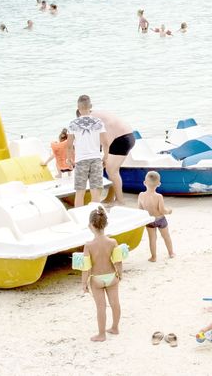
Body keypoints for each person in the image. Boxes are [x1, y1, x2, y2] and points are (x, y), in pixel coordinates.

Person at [80, 207, 123, 342]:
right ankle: (115, 327)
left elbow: (86, 268)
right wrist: (120, 274)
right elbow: (118, 261)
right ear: (106, 224)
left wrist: (84, 283)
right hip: (111, 276)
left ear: (90, 226)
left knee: (101, 307)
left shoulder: (88, 246)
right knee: (115, 303)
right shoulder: (112, 242)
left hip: (96, 280)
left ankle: (101, 334)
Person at [91, 105, 135, 204]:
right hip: (126, 136)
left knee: (112, 171)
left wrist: (105, 157)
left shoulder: (92, 118)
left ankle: (120, 200)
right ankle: (111, 197)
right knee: (112, 171)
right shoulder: (97, 114)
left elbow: (107, 135)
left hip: (121, 138)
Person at [68, 96, 107, 206]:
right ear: (90, 107)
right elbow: (105, 143)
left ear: (78, 108)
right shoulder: (98, 122)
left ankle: (80, 218)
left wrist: (69, 159)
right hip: (95, 159)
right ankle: (96, 218)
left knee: (80, 192)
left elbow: (69, 146)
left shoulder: (72, 123)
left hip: (81, 160)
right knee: (95, 192)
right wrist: (105, 157)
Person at [138, 171, 175, 261]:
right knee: (166, 236)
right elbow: (162, 210)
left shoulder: (141, 195)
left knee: (152, 239)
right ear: (158, 184)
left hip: (149, 220)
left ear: (144, 183)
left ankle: (153, 257)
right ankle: (171, 253)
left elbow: (140, 210)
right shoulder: (159, 196)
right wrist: (168, 211)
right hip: (160, 219)